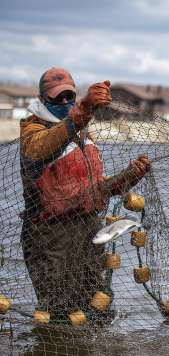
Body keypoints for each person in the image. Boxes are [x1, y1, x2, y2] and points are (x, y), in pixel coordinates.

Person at [20, 67, 151, 323]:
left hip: (88, 231)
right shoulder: (32, 132)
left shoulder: (83, 134)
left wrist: (129, 175)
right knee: (58, 311)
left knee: (94, 304)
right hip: (52, 236)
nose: (64, 102)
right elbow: (43, 147)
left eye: (69, 96)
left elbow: (98, 187)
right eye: (57, 98)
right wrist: (84, 110)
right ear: (43, 99)